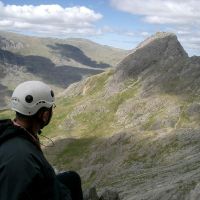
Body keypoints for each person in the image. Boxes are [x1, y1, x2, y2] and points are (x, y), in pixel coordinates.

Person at [0, 81, 83, 200]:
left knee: (71, 178)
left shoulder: (10, 133)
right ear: (44, 115)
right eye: (50, 108)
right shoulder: (22, 158)